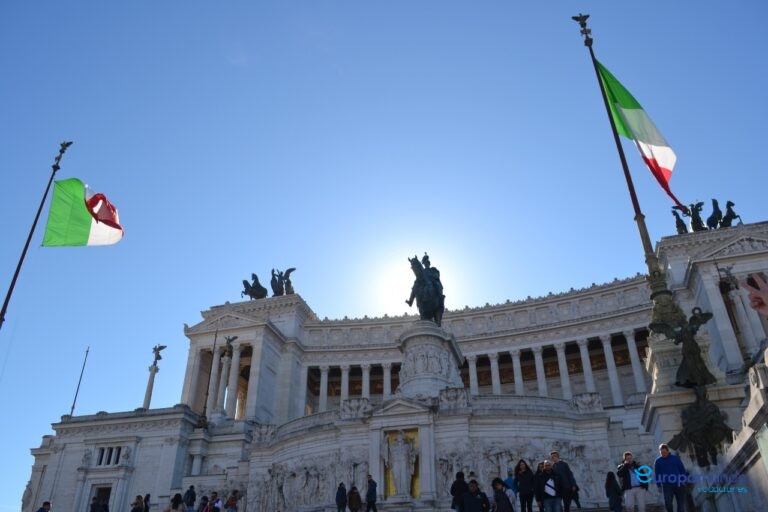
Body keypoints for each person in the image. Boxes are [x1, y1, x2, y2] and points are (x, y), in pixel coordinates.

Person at [654, 443, 687, 511]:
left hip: (679, 483)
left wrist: (684, 480)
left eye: (664, 452)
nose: (663, 454)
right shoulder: (658, 461)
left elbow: (682, 469)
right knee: (668, 503)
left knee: (681, 503)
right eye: (661, 452)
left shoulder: (675, 458)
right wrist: (659, 485)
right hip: (667, 485)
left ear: (668, 451)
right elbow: (657, 474)